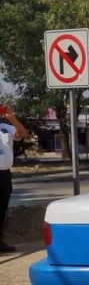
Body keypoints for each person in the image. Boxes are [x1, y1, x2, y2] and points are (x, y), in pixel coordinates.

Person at [0, 106, 28, 253]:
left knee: (2, 209)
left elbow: (23, 133)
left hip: (4, 175)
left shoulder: (6, 128)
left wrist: (11, 117)